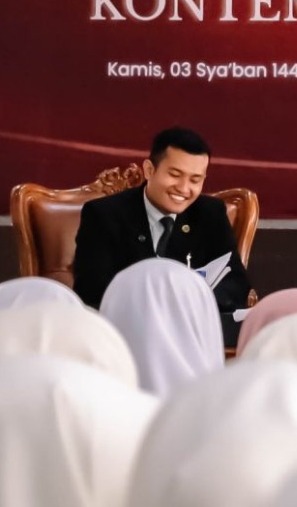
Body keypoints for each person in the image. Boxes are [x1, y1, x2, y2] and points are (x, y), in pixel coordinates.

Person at [72, 127, 253, 344]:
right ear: (149, 170)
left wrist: (193, 303)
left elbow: (235, 284)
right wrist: (156, 307)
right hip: (126, 336)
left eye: (195, 180)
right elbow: (91, 289)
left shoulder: (210, 213)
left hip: (191, 333)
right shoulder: (104, 214)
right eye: (175, 175)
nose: (184, 189)